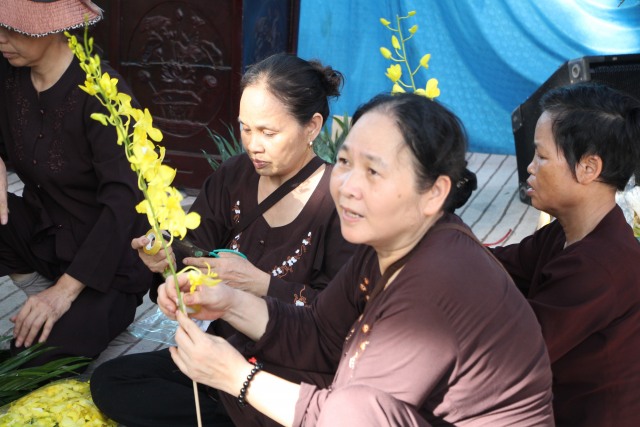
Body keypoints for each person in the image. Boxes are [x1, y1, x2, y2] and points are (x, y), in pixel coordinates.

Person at [152, 93, 555, 426]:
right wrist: (229, 302)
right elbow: (319, 333)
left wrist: (237, 377)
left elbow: (355, 415)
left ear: (434, 193)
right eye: (344, 162)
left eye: (373, 172)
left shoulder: (437, 279)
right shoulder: (384, 246)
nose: (347, 187)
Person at [90, 53, 356, 426]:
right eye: (245, 129)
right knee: (111, 381)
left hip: (285, 376)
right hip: (217, 354)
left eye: (268, 133)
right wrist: (168, 260)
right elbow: (195, 249)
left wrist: (263, 284)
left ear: (312, 126)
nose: (253, 145)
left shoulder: (340, 203)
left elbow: (338, 320)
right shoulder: (235, 175)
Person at [0, 0, 152, 366]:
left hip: (106, 266)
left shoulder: (105, 95)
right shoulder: (8, 72)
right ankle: (40, 292)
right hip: (43, 238)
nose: (1, 39)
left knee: (31, 362)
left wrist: (62, 294)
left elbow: (123, 205)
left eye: (12, 29)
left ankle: (61, 306)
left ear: (53, 28)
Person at [492, 83, 640, 426]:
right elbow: (493, 269)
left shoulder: (599, 267)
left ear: (589, 168)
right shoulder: (563, 234)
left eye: (542, 157)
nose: (530, 168)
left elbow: (511, 353)